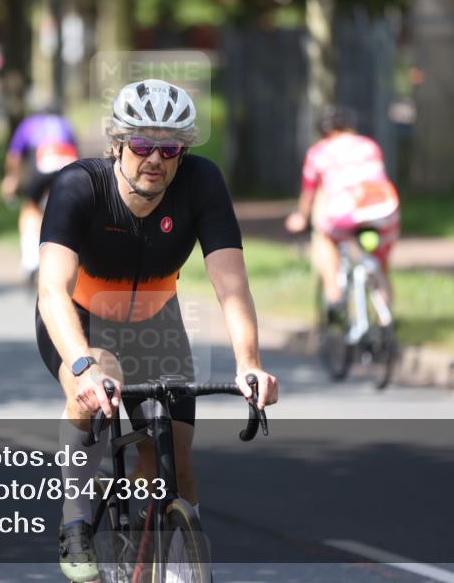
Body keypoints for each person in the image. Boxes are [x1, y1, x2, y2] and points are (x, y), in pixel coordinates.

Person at [36, 79, 279, 582]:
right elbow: (52, 290)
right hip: (81, 319)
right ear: (117, 144)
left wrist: (249, 363)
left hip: (156, 320)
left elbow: (232, 285)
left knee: (175, 460)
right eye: (142, 144)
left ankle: (170, 564)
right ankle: (75, 518)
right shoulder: (79, 185)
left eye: (169, 149)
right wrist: (81, 365)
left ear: (182, 152)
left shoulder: (201, 183)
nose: (155, 159)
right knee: (94, 383)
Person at [285, 105, 400, 318]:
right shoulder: (369, 145)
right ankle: (386, 313)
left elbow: (309, 193)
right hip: (384, 208)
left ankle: (333, 294)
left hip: (346, 211)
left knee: (325, 237)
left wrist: (301, 217)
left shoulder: (318, 152)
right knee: (379, 259)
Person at [0, 111, 79, 284]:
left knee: (30, 209)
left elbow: (14, 157)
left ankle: (30, 261)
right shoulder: (64, 124)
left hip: (43, 166)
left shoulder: (28, 124)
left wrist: (12, 179)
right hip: (68, 167)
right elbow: (76, 153)